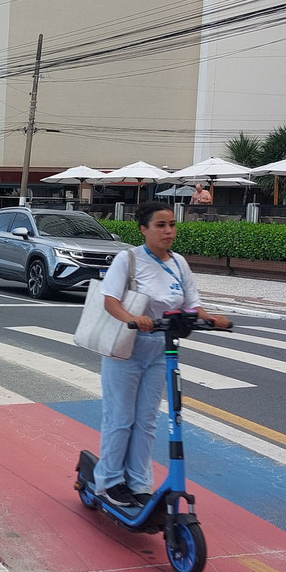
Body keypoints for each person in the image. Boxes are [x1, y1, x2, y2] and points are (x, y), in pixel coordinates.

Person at [94, 202, 231, 508]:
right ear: (144, 229)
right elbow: (110, 300)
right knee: (120, 418)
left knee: (147, 420)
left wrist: (210, 319)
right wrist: (132, 317)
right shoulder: (128, 259)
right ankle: (110, 481)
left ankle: (140, 482)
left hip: (161, 349)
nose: (169, 231)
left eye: (172, 225)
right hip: (127, 348)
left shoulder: (180, 263)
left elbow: (191, 304)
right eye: (161, 225)